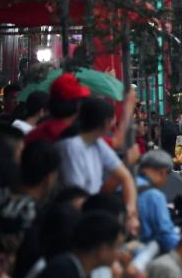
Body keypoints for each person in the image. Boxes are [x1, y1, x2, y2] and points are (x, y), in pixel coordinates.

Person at [55, 97, 138, 235]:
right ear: (105, 122)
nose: (113, 124)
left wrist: (130, 211)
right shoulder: (71, 147)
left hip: (93, 211)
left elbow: (126, 177)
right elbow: (76, 196)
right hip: (74, 219)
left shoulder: (97, 144)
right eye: (112, 120)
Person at [135, 150, 179, 253]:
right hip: (145, 252)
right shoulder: (155, 196)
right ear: (162, 171)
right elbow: (166, 235)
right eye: (167, 173)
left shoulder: (128, 183)